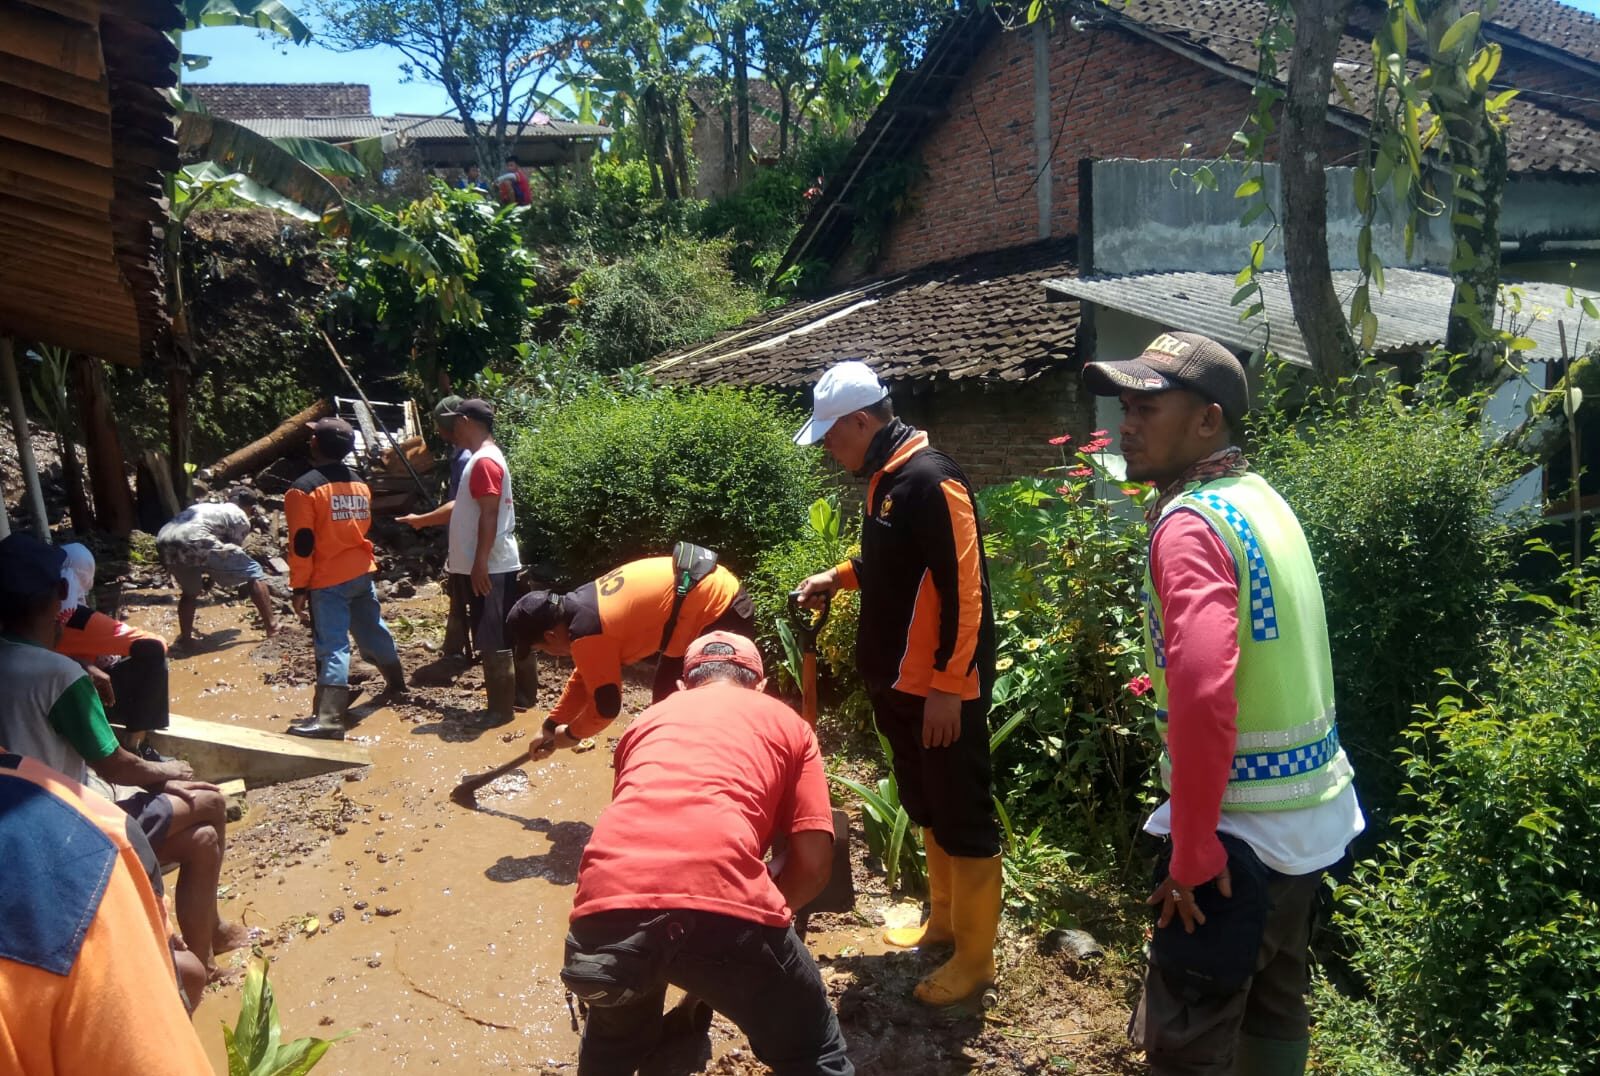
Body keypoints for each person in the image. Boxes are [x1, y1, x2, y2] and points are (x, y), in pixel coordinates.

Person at [1081, 332, 1365, 1075]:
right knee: (1275, 1004)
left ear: (1208, 420)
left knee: (1188, 1036)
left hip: (1235, 836)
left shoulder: (1190, 525)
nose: (1125, 425)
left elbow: (1204, 690)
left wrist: (1193, 845)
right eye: (1125, 407)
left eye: (1147, 408)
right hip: (1308, 818)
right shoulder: (1260, 500)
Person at [793, 359, 1002, 1008]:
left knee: (962, 813)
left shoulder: (933, 480)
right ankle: (944, 925)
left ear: (862, 421)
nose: (829, 449)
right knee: (927, 803)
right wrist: (837, 577)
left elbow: (965, 589)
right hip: (900, 684)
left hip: (938, 690)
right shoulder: (886, 479)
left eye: (832, 436)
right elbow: (893, 563)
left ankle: (976, 960)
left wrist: (949, 685)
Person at [554, 631, 852, 1076]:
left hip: (601, 911)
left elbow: (641, 831)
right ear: (760, 686)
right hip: (723, 913)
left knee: (613, 1047)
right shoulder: (789, 723)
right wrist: (760, 926)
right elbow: (812, 864)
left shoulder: (645, 722)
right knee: (815, 1051)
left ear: (682, 686)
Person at [0, 533, 248, 978]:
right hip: (72, 827)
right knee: (210, 801)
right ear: (60, 595)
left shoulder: (33, 664)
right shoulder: (59, 676)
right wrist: (167, 770)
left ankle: (206, 953)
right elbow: (115, 765)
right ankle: (205, 945)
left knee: (201, 841)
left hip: (23, 832)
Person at [0, 750, 213, 1071]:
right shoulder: (90, 838)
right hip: (93, 827)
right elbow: (115, 764)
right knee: (210, 812)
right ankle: (204, 955)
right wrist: (168, 772)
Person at [511, 552, 756, 754]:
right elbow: (586, 678)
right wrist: (550, 726)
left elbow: (606, 708)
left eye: (542, 649)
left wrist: (572, 735)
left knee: (711, 715)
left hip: (720, 610)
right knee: (665, 709)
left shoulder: (588, 630)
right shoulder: (581, 606)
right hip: (700, 607)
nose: (552, 655)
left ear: (550, 636)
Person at [282, 417, 406, 739]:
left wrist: (299, 587)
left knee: (333, 645)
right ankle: (397, 684)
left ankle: (328, 718)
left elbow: (302, 544)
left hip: (328, 579)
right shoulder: (360, 484)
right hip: (361, 571)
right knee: (373, 629)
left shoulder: (302, 489)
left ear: (315, 444)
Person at [401, 398, 523, 722]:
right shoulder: (482, 459)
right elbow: (466, 506)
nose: (451, 429)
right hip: (491, 562)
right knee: (500, 633)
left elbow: (489, 514)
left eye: (455, 422)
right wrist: (422, 520)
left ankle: (500, 712)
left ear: (466, 421)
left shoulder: (483, 461)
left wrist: (480, 563)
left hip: (491, 564)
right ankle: (519, 699)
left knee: (494, 638)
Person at [54, 543, 172, 760]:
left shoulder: (38, 611)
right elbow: (155, 644)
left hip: (53, 692)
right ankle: (136, 743)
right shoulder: (80, 619)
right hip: (81, 700)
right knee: (155, 657)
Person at [398, 395, 477, 662]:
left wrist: (423, 520)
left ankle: (462, 650)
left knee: (465, 594)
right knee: (458, 593)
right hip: (461, 536)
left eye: (440, 426)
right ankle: (454, 646)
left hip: (469, 539)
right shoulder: (460, 453)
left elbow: (461, 504)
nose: (438, 432)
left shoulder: (467, 458)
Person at [156, 489, 278, 647]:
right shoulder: (240, 517)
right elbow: (227, 554)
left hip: (164, 540)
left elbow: (216, 553)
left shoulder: (206, 507)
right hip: (196, 540)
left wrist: (210, 578)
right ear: (251, 508)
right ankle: (273, 628)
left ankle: (186, 639)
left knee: (190, 592)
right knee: (254, 571)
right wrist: (214, 578)